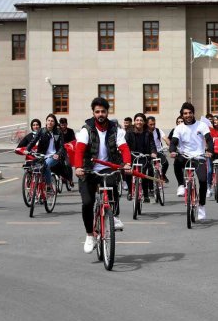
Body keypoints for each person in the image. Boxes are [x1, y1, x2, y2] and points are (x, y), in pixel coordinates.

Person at [74, 97, 131, 253]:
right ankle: (90, 235)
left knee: (113, 186)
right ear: (93, 113)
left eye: (103, 111)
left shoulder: (116, 129)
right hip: (88, 169)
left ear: (107, 112)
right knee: (87, 202)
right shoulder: (87, 129)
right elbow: (79, 149)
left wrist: (126, 164)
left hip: (108, 167)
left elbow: (124, 148)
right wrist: (78, 167)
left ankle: (114, 215)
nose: (100, 114)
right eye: (97, 111)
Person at [170, 102, 213, 220]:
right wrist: (173, 151)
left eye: (190, 113)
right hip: (185, 156)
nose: (188, 115)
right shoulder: (179, 128)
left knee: (203, 181)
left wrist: (209, 151)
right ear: (182, 115)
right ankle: (180, 185)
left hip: (199, 156)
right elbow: (173, 142)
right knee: (177, 162)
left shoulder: (202, 125)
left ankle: (202, 206)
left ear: (193, 113)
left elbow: (209, 140)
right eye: (185, 113)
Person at [25, 114, 73, 190]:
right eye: (48, 120)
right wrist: (27, 149)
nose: (50, 122)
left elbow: (61, 147)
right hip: (42, 155)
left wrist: (57, 154)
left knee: (45, 165)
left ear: (54, 123)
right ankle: (37, 188)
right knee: (34, 167)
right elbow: (33, 141)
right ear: (46, 122)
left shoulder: (58, 132)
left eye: (52, 121)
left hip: (54, 156)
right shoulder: (41, 130)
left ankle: (49, 184)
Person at [125, 113, 157, 203]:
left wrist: (153, 153)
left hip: (144, 157)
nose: (139, 122)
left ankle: (146, 194)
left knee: (142, 174)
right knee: (127, 172)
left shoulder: (148, 133)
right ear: (134, 122)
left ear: (144, 122)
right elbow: (125, 145)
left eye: (141, 120)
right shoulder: (129, 132)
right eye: (137, 120)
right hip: (132, 156)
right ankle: (130, 191)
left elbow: (152, 145)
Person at [147, 116, 169, 183]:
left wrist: (170, 145)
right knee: (150, 169)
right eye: (151, 124)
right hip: (149, 153)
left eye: (154, 124)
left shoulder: (158, 130)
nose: (153, 126)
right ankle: (150, 188)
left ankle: (163, 174)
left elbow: (165, 138)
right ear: (147, 124)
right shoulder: (145, 131)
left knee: (165, 163)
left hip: (159, 151)